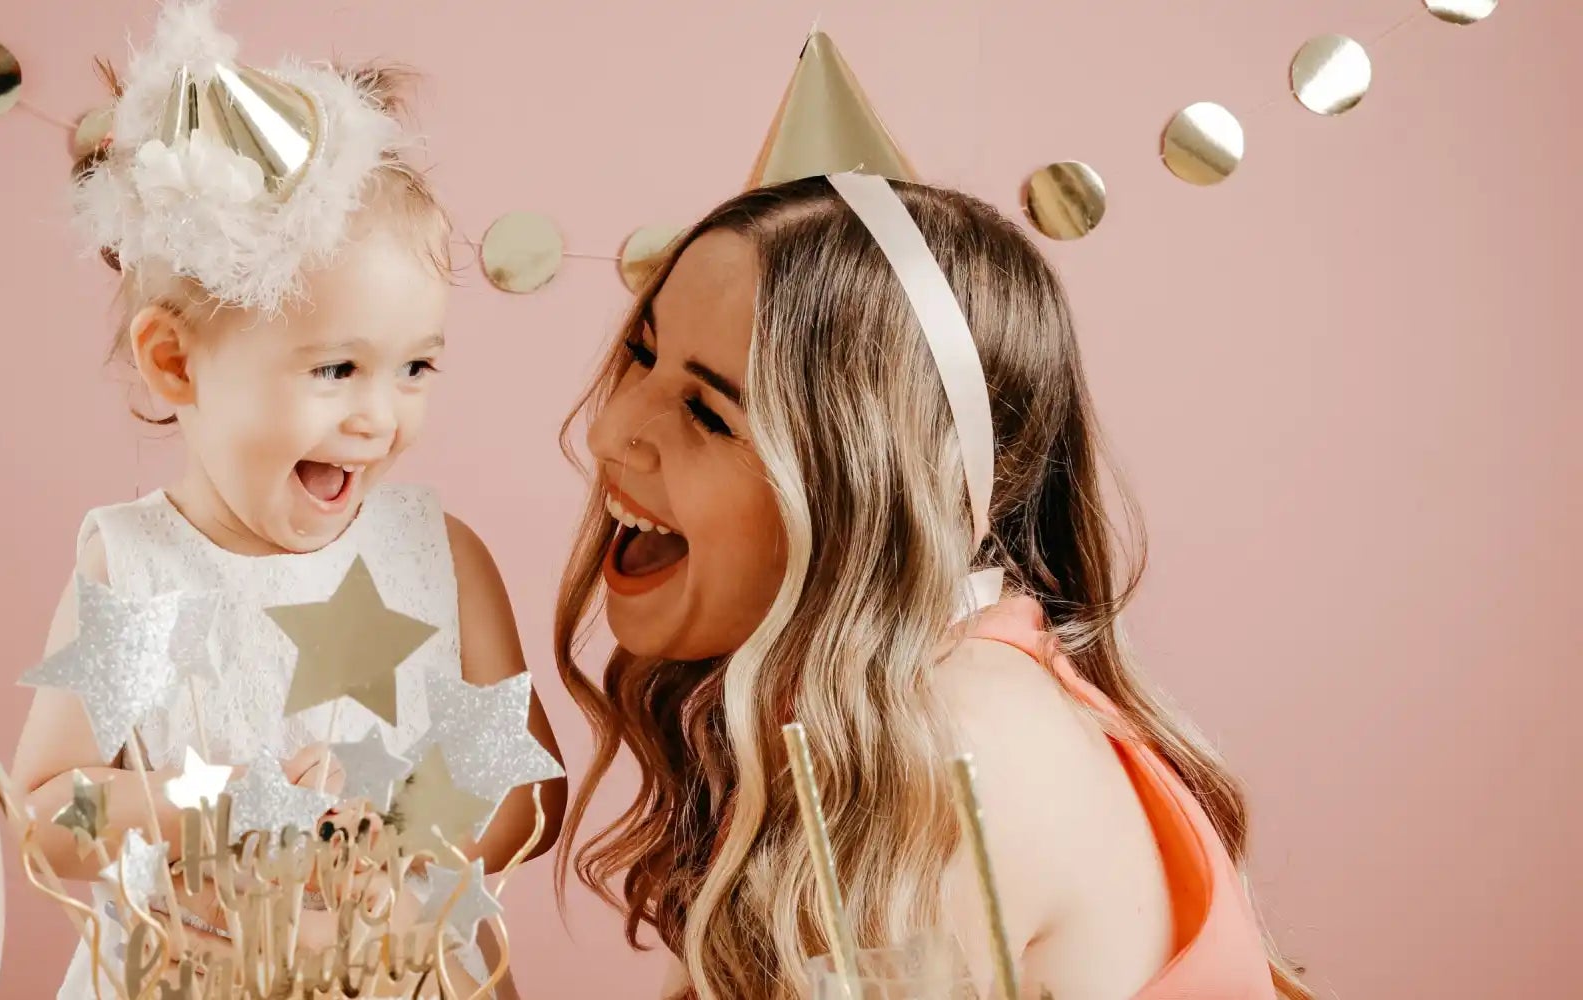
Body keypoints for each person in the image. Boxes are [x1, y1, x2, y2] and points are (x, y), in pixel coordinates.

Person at [551, 40, 1308, 999]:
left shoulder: (961, 746)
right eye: (640, 357)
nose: (614, 433)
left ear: (883, 490)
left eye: (709, 412)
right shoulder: (915, 705)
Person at [8, 2, 564, 994]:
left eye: (415, 368)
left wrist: (396, 828)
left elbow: (527, 789)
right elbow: (50, 818)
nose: (379, 416)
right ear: (175, 364)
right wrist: (220, 803)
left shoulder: (433, 554)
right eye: (337, 368)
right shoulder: (138, 572)